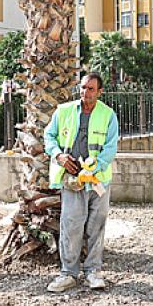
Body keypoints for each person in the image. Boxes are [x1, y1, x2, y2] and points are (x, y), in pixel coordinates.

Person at [43, 72, 119, 292]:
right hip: (72, 179)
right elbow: (50, 136)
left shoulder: (108, 115)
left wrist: (93, 169)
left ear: (100, 92)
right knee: (71, 225)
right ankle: (68, 273)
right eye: (83, 88)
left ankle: (93, 272)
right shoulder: (64, 111)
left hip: (98, 181)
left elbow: (110, 147)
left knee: (97, 225)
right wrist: (59, 156)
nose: (85, 93)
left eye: (91, 89)